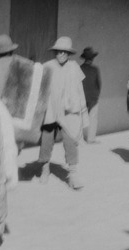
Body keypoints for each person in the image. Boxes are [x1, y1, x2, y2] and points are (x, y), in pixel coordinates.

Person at [37, 36, 88, 190]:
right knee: (46, 140)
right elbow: (38, 87)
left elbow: (80, 90)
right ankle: (45, 168)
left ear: (69, 54)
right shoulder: (47, 66)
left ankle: (73, 175)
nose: (61, 55)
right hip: (51, 109)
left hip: (68, 111)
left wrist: (82, 111)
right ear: (55, 52)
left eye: (64, 52)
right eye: (58, 52)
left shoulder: (74, 67)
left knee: (70, 140)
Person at [80, 47, 101, 143]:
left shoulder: (80, 68)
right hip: (93, 97)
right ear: (92, 58)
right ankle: (90, 139)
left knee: (80, 117)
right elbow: (99, 83)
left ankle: (79, 138)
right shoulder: (95, 69)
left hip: (82, 97)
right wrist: (97, 94)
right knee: (92, 117)